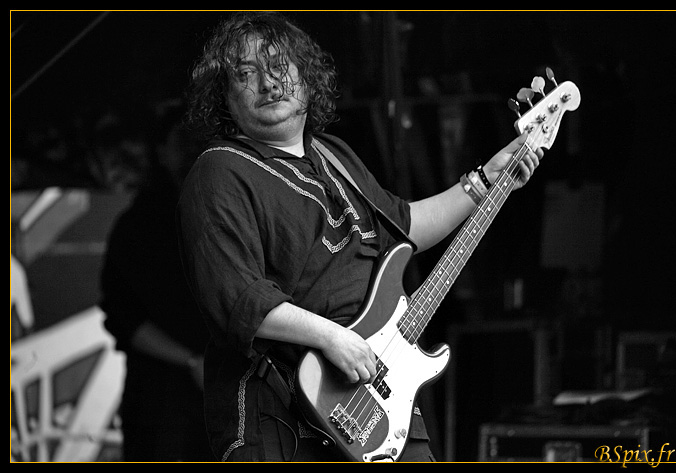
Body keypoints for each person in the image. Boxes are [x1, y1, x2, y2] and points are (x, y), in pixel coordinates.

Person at [176, 11, 542, 462]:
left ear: (306, 76)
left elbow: (405, 227)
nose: (269, 83)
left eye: (278, 65)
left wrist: (486, 180)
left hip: (379, 398)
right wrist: (332, 338)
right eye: (246, 74)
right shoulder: (219, 171)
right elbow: (238, 299)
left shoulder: (334, 155)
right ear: (224, 98)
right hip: (282, 417)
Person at [100, 105, 213, 461]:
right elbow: (123, 317)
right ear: (161, 151)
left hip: (221, 390)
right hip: (159, 397)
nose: (193, 148)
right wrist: (192, 361)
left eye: (200, 140)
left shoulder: (227, 212)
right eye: (183, 139)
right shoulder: (137, 226)